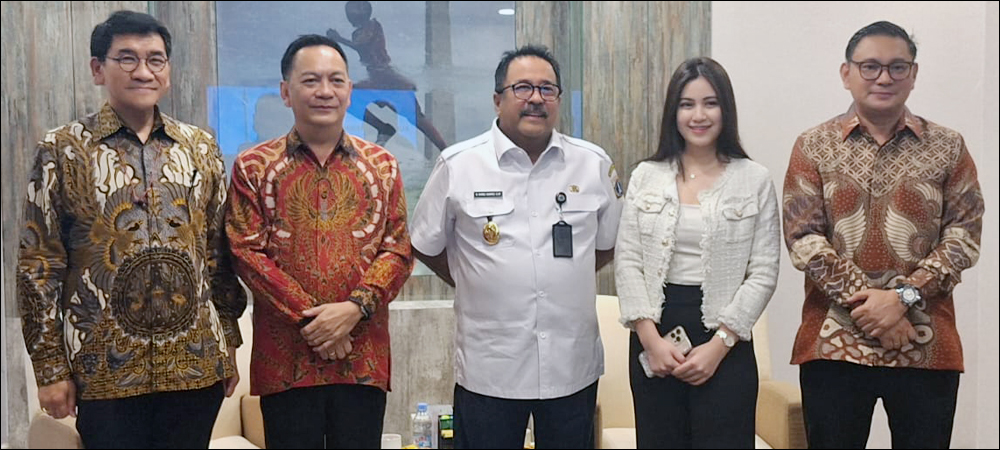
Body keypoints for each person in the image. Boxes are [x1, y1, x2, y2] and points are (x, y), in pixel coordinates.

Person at [16, 10, 246, 449]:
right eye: (127, 58)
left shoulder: (200, 148)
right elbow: (39, 263)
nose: (143, 71)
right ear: (98, 69)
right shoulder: (63, 149)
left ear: (168, 71)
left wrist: (229, 342)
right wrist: (50, 369)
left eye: (155, 59)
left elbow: (218, 254)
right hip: (105, 370)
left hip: (195, 367)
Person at [410, 45, 624, 449]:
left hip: (570, 365)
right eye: (522, 87)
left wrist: (563, 275)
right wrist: (474, 278)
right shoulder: (459, 165)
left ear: (558, 99)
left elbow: (609, 243)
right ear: (498, 99)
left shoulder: (592, 164)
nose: (536, 98)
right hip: (490, 367)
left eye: (547, 89)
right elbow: (424, 243)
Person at [782, 20, 984, 449]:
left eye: (897, 67)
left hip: (925, 343)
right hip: (833, 344)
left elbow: (964, 238)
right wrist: (873, 309)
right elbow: (804, 238)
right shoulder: (813, 145)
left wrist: (901, 299)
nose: (884, 78)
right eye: (870, 66)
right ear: (846, 73)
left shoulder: (948, 146)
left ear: (913, 74)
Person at [226, 34, 413, 449]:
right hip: (285, 361)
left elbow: (397, 248)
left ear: (350, 90)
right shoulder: (253, 167)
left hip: (362, 358)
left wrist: (354, 308)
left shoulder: (383, 165)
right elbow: (245, 251)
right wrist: (317, 323)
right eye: (311, 80)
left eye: (336, 80)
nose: (325, 91)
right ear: (285, 92)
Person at [614, 57, 780, 448]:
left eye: (711, 103)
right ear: (673, 112)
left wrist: (720, 345)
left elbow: (763, 271)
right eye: (687, 104)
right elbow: (628, 261)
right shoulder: (646, 175)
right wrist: (651, 341)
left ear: (726, 109)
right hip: (657, 333)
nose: (699, 115)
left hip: (726, 340)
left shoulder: (753, 179)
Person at [327, 0, 448, 150]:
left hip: (388, 78)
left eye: (354, 9)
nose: (351, 14)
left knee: (415, 117)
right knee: (347, 98)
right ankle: (383, 128)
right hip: (375, 78)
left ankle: (446, 150)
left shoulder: (373, 26)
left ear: (365, 10)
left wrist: (339, 39)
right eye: (350, 10)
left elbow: (362, 45)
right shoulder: (357, 33)